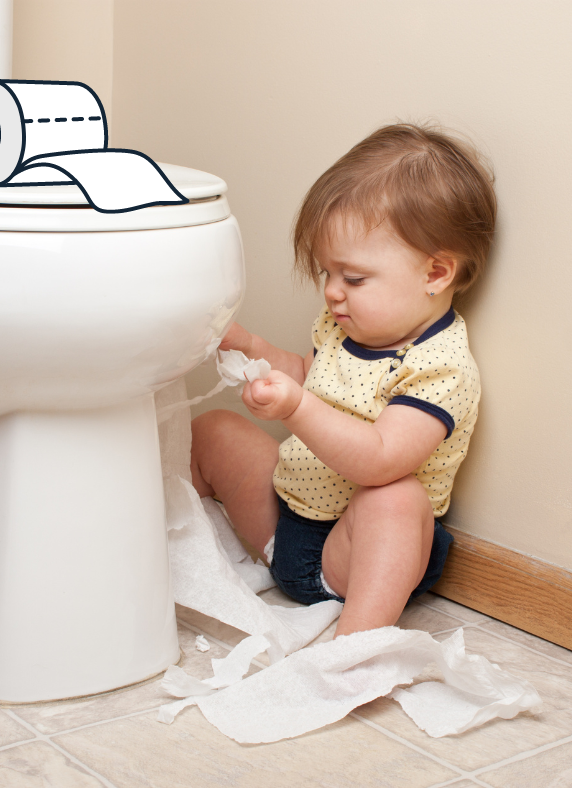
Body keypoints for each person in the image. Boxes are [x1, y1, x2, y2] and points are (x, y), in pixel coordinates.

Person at [190, 123, 496, 637]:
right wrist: (251, 349)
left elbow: (379, 458)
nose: (332, 292)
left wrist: (293, 409)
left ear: (436, 274)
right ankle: (179, 554)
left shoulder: (440, 367)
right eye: (327, 273)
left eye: (353, 278)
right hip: (289, 522)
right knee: (212, 430)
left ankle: (355, 647)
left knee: (397, 499)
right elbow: (314, 378)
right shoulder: (344, 323)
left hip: (352, 556)